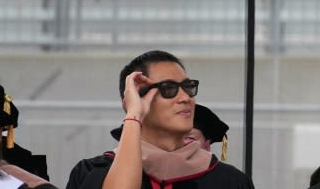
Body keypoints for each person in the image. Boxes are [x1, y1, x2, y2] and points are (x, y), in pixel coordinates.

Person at [64, 50, 252, 189]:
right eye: (168, 88)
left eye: (188, 87)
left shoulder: (231, 182)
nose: (185, 97)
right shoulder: (91, 173)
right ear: (137, 97)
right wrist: (134, 114)